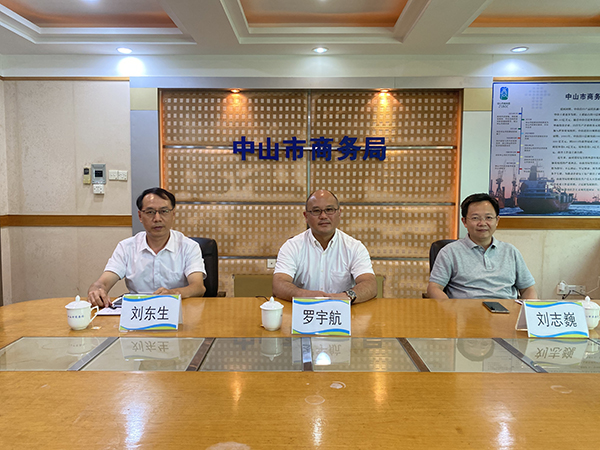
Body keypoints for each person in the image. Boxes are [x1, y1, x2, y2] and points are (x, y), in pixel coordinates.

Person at [87, 187, 206, 307]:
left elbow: (198, 287)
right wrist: (96, 290)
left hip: (179, 310)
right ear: (140, 216)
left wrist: (173, 293)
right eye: (150, 212)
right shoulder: (126, 247)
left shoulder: (189, 247)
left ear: (173, 214)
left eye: (164, 211)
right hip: (138, 311)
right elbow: (103, 282)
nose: (157, 218)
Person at [272, 189, 377, 304]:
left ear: (339, 213)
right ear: (306, 216)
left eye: (329, 210)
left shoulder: (355, 247)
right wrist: (309, 296)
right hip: (304, 311)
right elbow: (279, 284)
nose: (323, 216)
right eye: (316, 211)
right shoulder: (292, 247)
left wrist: (346, 296)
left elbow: (370, 284)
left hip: (342, 311)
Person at [427, 193, 538, 300]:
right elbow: (434, 288)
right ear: (464, 221)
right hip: (465, 311)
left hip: (506, 311)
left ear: (497, 221)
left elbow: (528, 289)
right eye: (475, 218)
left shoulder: (511, 252)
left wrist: (530, 310)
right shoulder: (449, 252)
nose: (482, 223)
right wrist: (449, 309)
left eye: (488, 217)